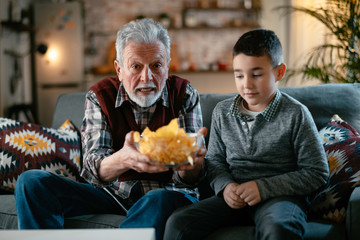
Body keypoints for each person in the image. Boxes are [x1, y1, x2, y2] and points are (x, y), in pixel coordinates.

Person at [14, 18, 207, 240]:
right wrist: (124, 158)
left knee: (156, 199)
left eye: (156, 65)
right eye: (136, 66)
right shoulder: (100, 96)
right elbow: (93, 170)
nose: (147, 77)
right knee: (31, 182)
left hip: (168, 195)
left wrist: (190, 164)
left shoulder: (184, 93)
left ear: (167, 65)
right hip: (114, 196)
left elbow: (190, 179)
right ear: (119, 69)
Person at [163, 29, 329, 240]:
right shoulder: (222, 112)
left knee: (279, 229)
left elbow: (318, 173)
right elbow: (214, 161)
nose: (246, 84)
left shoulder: (296, 114)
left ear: (279, 72)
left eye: (256, 75)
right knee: (179, 222)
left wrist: (262, 187)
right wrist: (226, 187)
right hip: (235, 196)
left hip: (281, 199)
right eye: (239, 75)